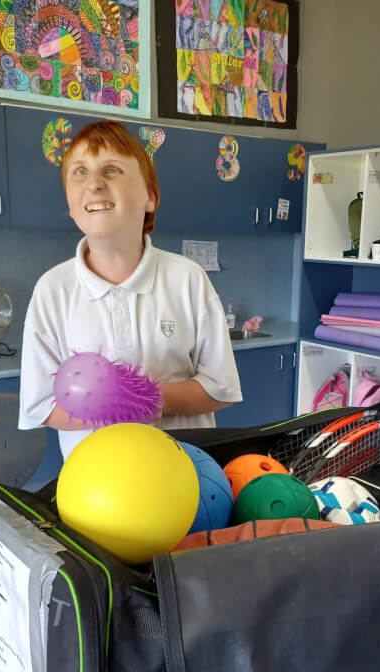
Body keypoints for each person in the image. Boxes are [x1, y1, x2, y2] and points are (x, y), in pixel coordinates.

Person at [18, 120, 242, 459]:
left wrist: (150, 398)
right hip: (96, 487)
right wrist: (113, 409)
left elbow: (221, 389)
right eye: (79, 172)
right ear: (69, 198)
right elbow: (41, 406)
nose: (93, 184)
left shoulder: (187, 279)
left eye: (111, 170)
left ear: (149, 198)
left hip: (185, 473)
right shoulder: (53, 290)